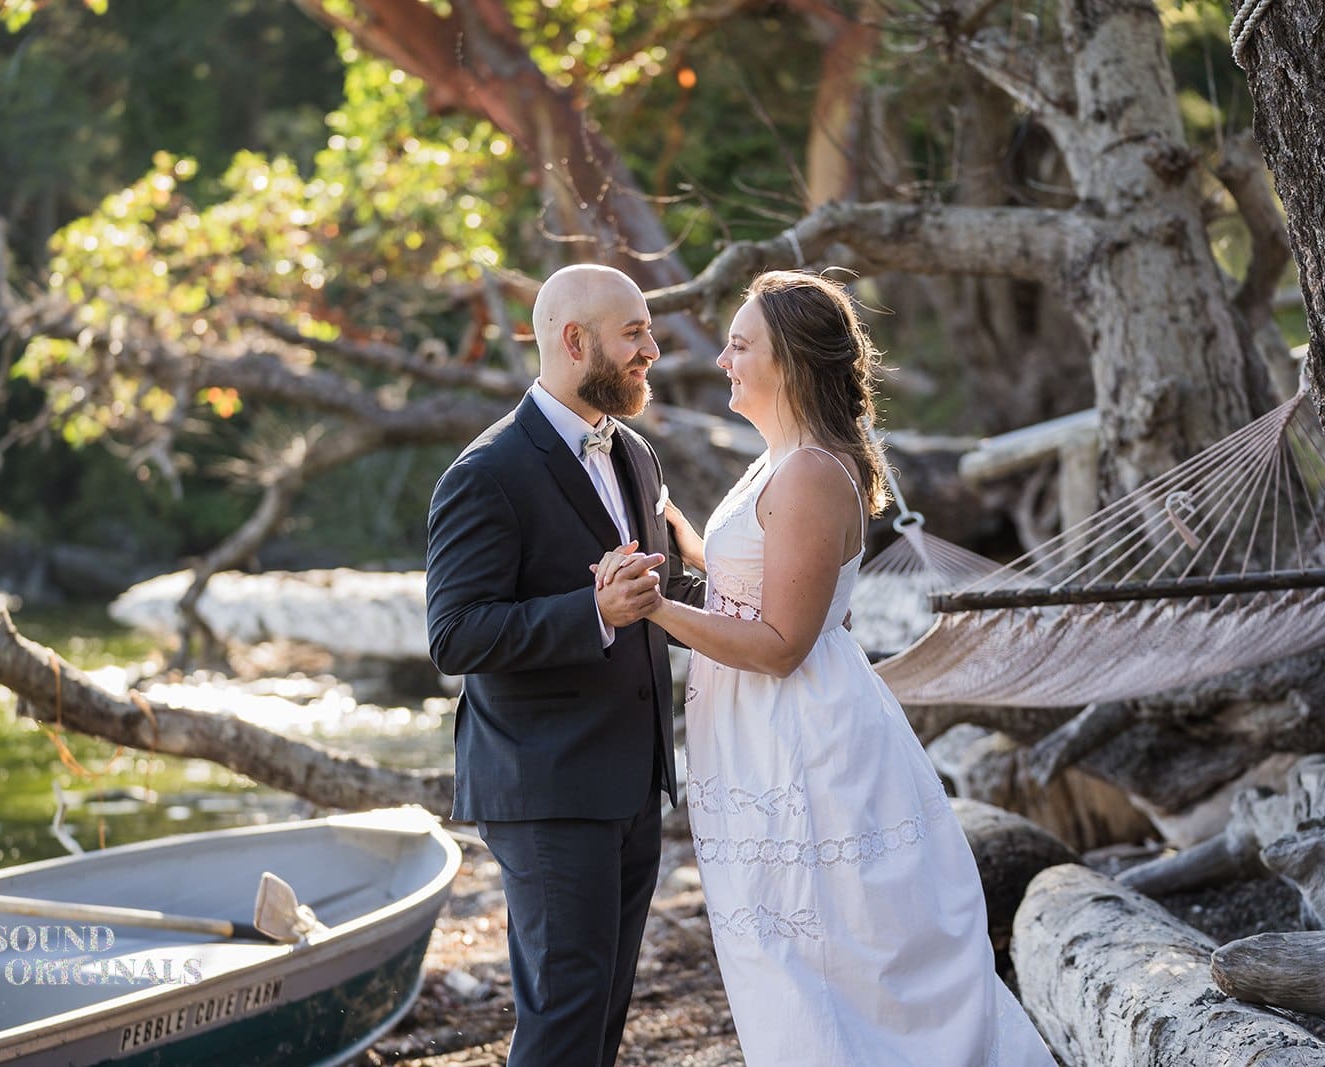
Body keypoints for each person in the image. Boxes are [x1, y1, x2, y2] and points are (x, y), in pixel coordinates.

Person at [596, 270, 1055, 1064]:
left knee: (815, 949)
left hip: (800, 737)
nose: (723, 361)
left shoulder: (809, 470)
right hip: (758, 732)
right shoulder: (784, 458)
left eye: (740, 346)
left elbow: (780, 642)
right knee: (786, 948)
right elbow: (752, 578)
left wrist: (654, 608)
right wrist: (670, 525)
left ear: (791, 362)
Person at [424, 264, 705, 1067]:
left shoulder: (635, 453)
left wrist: (768, 612)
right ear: (575, 341)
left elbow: (661, 588)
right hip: (546, 786)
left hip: (630, 777)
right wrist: (591, 613)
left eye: (649, 330)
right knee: (566, 1010)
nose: (653, 349)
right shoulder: (486, 474)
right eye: (636, 334)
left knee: (603, 1007)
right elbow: (455, 635)